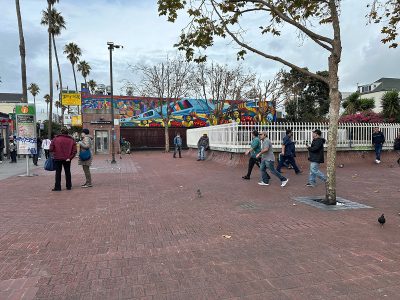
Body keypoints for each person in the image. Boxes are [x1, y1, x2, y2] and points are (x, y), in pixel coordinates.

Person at [49, 127, 77, 191]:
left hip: (58, 158)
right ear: (67, 133)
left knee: (58, 172)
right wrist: (70, 158)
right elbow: (74, 151)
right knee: (67, 172)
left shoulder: (55, 139)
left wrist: (54, 153)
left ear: (61, 132)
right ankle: (68, 186)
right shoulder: (71, 140)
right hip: (67, 159)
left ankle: (58, 187)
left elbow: (51, 149)